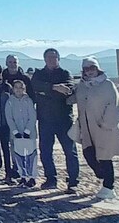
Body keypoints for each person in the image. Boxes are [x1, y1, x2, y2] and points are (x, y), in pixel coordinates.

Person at [69, 57, 119, 200]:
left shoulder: (107, 85)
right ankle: (102, 176)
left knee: (105, 157)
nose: (89, 71)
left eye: (92, 68)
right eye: (86, 69)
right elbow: (74, 98)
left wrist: (107, 124)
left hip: (103, 128)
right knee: (89, 154)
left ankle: (109, 186)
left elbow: (114, 105)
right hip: (87, 128)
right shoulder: (81, 86)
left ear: (97, 69)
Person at [31, 48, 80, 192]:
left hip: (64, 119)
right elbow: (35, 86)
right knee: (45, 151)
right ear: (44, 59)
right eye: (48, 57)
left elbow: (68, 90)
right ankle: (50, 179)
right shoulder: (39, 74)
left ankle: (73, 182)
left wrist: (46, 91)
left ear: (58, 58)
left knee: (70, 151)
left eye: (54, 57)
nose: (51, 59)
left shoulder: (65, 73)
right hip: (45, 119)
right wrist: (54, 87)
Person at [5, 79, 38, 188]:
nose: (18, 90)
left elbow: (33, 116)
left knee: (30, 156)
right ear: (13, 89)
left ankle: (32, 177)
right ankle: (22, 176)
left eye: (21, 87)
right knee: (19, 156)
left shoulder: (28, 101)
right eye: (16, 87)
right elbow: (9, 118)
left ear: (24, 89)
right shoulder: (10, 101)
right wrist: (15, 132)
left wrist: (27, 131)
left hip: (29, 134)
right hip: (16, 134)